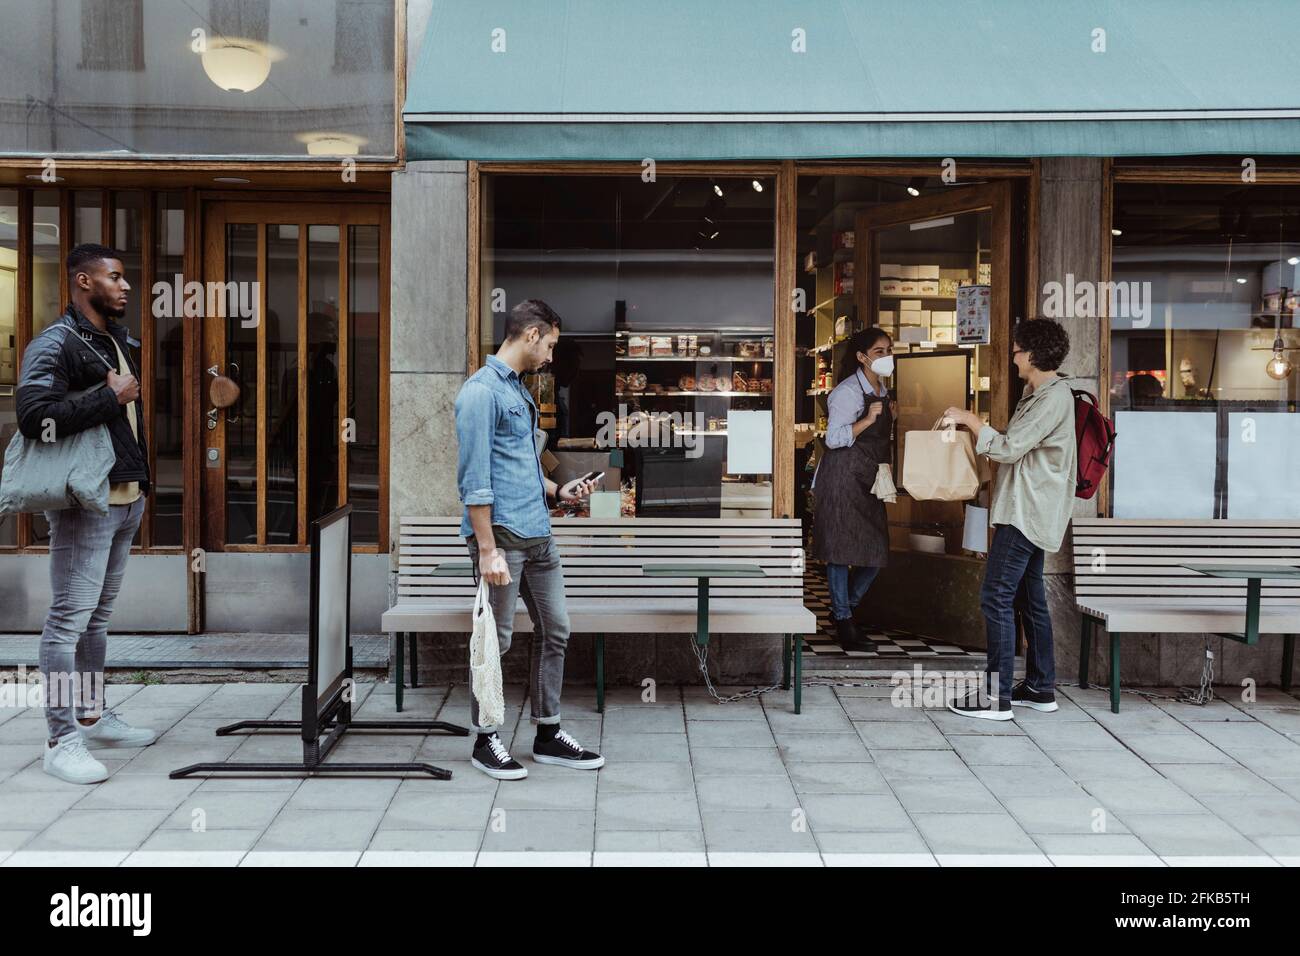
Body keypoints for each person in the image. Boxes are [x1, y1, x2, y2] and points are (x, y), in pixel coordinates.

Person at [17, 243, 157, 784]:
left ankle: (92, 715)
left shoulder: (113, 339)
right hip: (86, 503)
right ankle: (60, 738)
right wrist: (109, 398)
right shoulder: (57, 343)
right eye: (115, 278)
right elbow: (34, 418)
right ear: (83, 282)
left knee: (96, 620)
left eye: (125, 278)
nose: (125, 287)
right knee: (65, 625)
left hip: (124, 498)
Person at [454, 299, 604, 780]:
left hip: (539, 537)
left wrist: (561, 490)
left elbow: (519, 467)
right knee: (494, 640)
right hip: (502, 538)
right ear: (533, 334)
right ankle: (486, 739)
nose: (552, 357)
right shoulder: (480, 394)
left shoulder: (516, 390)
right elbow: (475, 480)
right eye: (552, 345)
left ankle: (547, 732)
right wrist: (486, 550)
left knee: (556, 630)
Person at [943, 318, 1076, 720]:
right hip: (1028, 508)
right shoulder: (1036, 394)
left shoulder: (1053, 398)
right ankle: (1039, 687)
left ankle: (996, 697)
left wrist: (973, 422)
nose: (1013, 356)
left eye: (1017, 350)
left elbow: (1010, 448)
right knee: (1028, 597)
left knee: (996, 596)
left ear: (1033, 355)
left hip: (1027, 511)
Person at [811, 327, 897, 653]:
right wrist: (867, 420)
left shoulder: (882, 389)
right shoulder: (846, 392)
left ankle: (842, 608)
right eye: (879, 351)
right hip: (843, 477)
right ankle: (845, 620)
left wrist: (890, 415)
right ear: (862, 357)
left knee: (875, 551)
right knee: (839, 551)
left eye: (889, 350)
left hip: (868, 477)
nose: (887, 356)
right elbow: (833, 439)